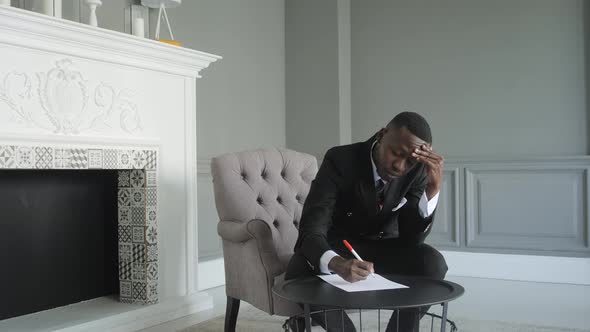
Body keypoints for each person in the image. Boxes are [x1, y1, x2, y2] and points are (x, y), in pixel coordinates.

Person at [285, 112, 448, 332]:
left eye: (410, 161)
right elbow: (311, 229)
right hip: (340, 247)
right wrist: (337, 263)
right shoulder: (340, 160)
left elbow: (412, 239)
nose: (400, 166)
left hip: (383, 248)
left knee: (433, 263)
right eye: (396, 153)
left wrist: (432, 191)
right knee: (300, 267)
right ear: (382, 135)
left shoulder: (417, 171)